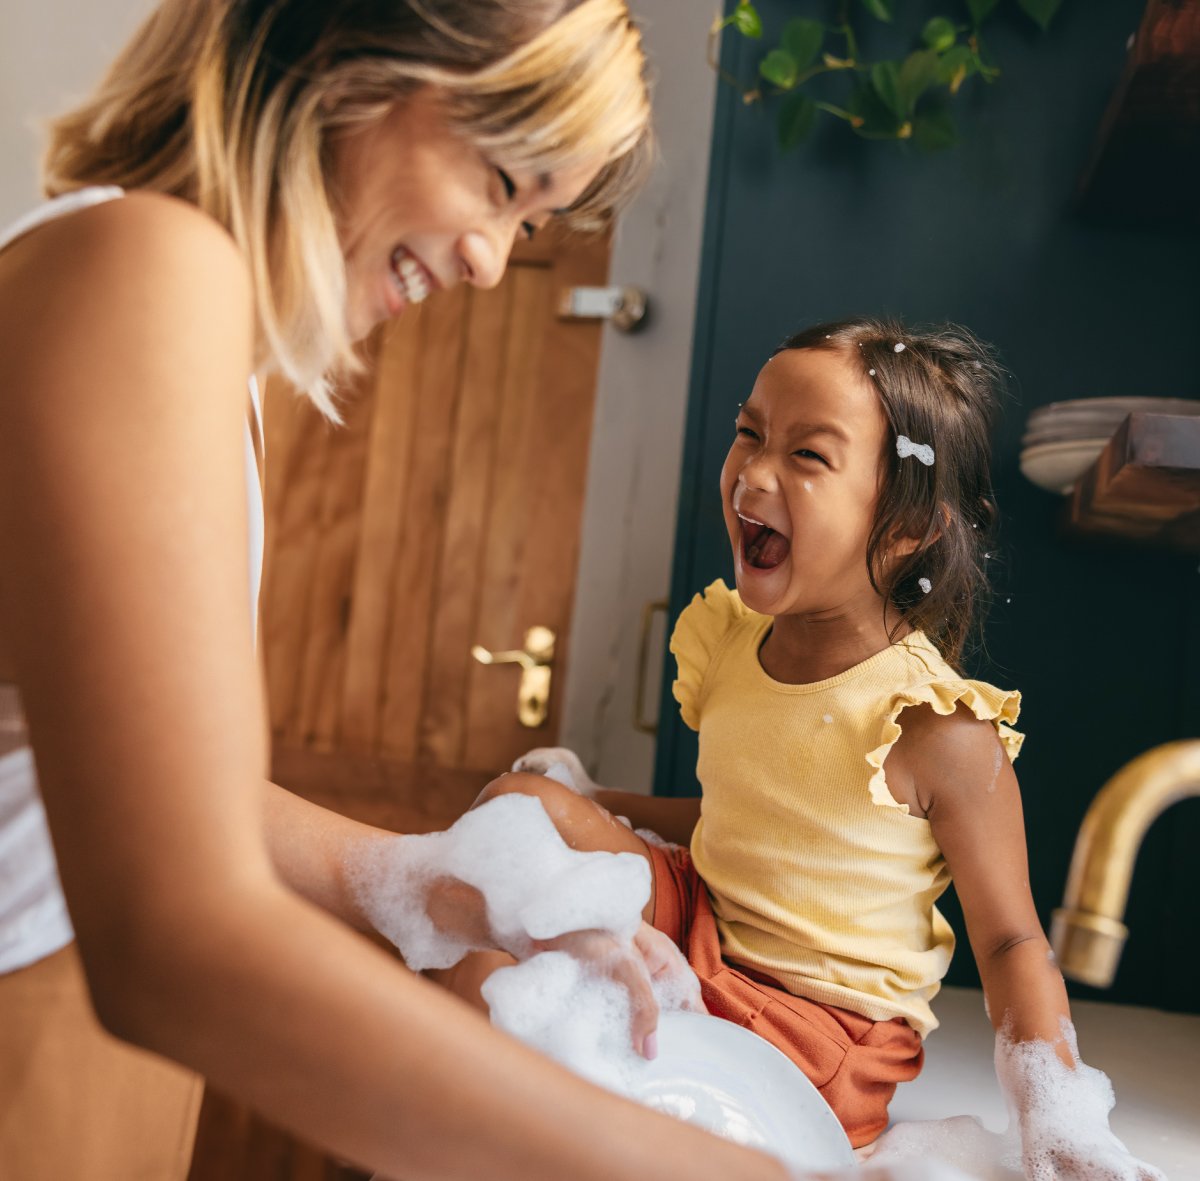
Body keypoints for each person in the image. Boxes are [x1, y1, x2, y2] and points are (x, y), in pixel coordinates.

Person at [0, 2, 806, 1178]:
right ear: (348, 61)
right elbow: (177, 936)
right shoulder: (146, 269)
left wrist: (424, 877)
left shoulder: (176, 313)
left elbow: (141, 788)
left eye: (526, 220)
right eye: (501, 179)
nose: (489, 259)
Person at [460, 318, 1164, 1179]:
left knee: (533, 991)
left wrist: (1061, 1124)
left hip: (816, 1026)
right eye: (750, 433)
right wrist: (592, 797)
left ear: (906, 528)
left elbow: (1015, 943)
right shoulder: (732, 646)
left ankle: (503, 1094)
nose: (753, 472)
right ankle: (458, 1098)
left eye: (808, 455)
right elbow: (745, 823)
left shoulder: (933, 723)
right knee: (515, 810)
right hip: (707, 924)